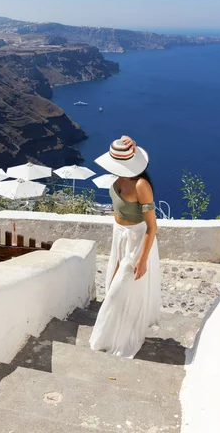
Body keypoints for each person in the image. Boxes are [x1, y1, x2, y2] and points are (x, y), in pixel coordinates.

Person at [89, 135, 161, 358]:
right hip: (119, 236)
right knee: (112, 286)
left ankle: (112, 338)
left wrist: (142, 260)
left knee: (119, 290)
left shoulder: (141, 185)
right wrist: (130, 142)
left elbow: (152, 226)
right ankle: (111, 334)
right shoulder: (119, 177)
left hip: (136, 241)